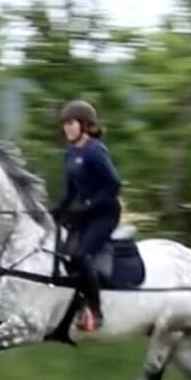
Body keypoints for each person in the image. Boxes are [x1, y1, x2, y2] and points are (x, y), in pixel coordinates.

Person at [50, 99, 123, 332]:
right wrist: (54, 212)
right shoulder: (70, 153)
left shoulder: (95, 151)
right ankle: (77, 304)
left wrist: (89, 204)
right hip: (84, 214)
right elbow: (70, 192)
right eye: (65, 124)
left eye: (72, 123)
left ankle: (96, 311)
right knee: (63, 255)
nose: (67, 128)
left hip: (105, 214)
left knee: (81, 256)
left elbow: (114, 184)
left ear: (84, 125)